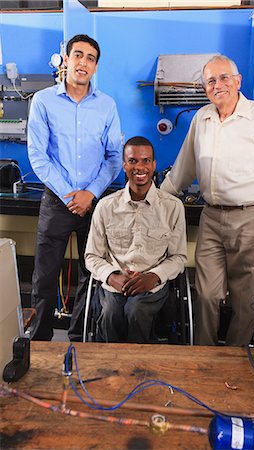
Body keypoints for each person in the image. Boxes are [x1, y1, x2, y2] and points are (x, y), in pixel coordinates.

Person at [160, 55, 254, 346]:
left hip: (252, 219)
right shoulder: (201, 119)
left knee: (246, 301)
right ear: (204, 87)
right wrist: (156, 202)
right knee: (206, 293)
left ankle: (235, 363)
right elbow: (183, 168)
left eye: (223, 78)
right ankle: (204, 358)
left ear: (238, 80)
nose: (217, 85)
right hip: (212, 218)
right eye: (210, 81)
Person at [27, 34, 122, 341]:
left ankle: (79, 338)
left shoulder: (107, 106)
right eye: (78, 55)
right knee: (44, 276)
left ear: (95, 67)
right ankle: (38, 341)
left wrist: (90, 193)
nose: (83, 62)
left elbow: (114, 157)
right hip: (57, 201)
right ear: (66, 60)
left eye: (90, 58)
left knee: (90, 274)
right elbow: (38, 157)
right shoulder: (43, 101)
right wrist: (71, 195)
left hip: (94, 201)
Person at [84, 136, 187, 343]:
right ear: (124, 165)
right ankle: (111, 368)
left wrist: (153, 277)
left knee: (136, 311)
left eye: (145, 160)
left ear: (153, 165)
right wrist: (112, 276)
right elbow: (92, 256)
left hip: (153, 284)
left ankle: (140, 369)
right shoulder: (106, 206)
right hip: (114, 283)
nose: (139, 167)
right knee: (111, 313)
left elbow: (179, 258)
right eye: (132, 161)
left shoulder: (172, 207)